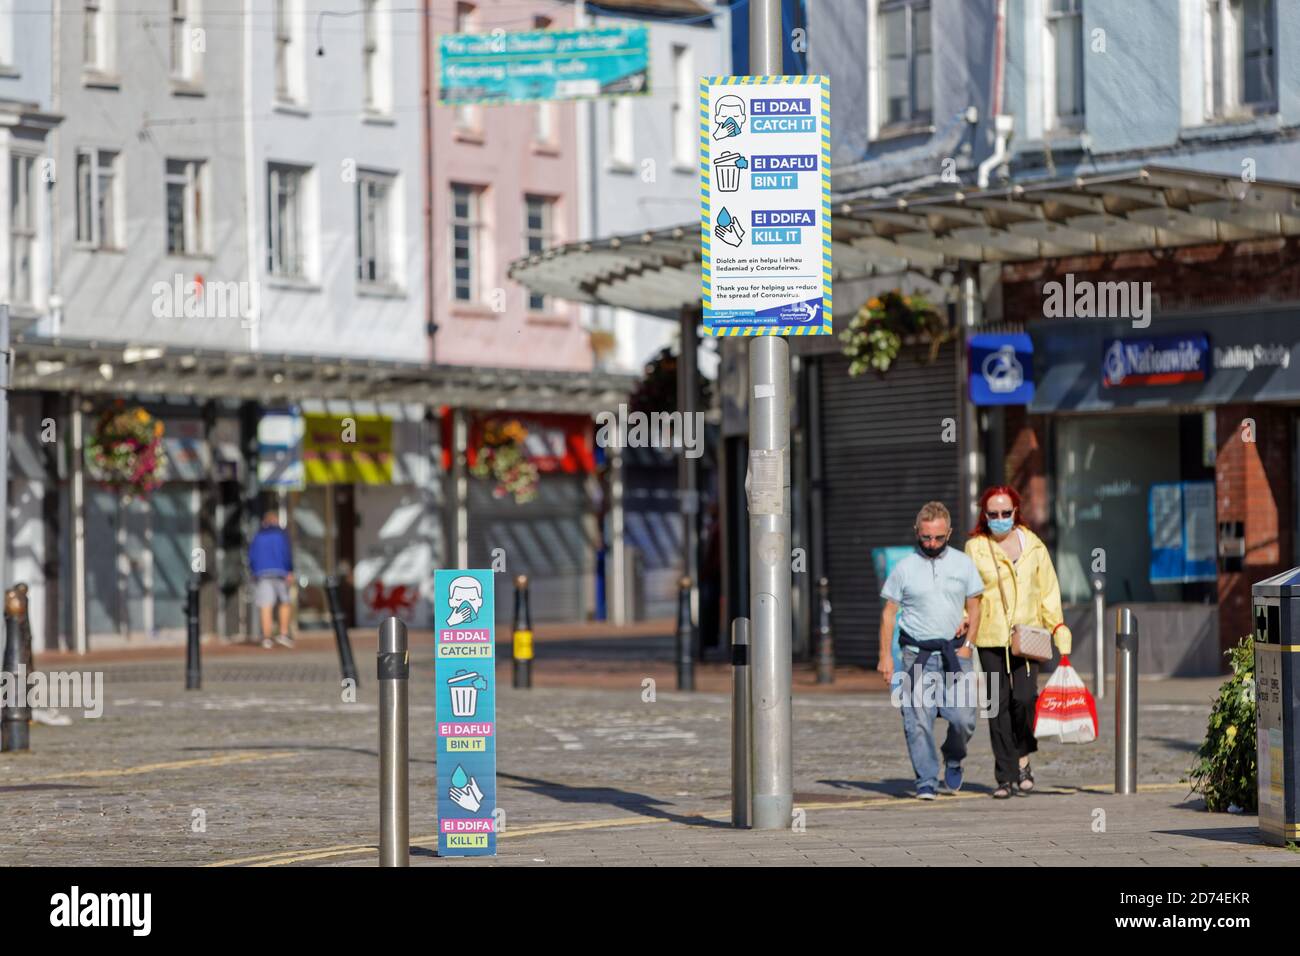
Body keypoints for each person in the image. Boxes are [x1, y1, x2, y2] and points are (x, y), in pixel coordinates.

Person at [964, 485, 1072, 798]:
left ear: (1015, 512)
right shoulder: (976, 547)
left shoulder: (1034, 545)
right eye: (993, 514)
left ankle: (1023, 758)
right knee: (996, 705)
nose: (1000, 519)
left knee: (1024, 700)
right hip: (990, 635)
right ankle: (1005, 775)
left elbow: (1047, 589)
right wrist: (963, 617)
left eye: (1005, 513)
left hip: (1028, 636)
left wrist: (1057, 625)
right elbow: (967, 590)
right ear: (985, 515)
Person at [877, 501, 984, 800]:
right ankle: (926, 780)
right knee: (917, 721)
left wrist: (969, 646)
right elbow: (889, 613)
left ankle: (953, 756)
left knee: (964, 718)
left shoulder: (963, 564)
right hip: (915, 655)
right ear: (917, 532)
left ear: (949, 532)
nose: (932, 543)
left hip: (955, 654)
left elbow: (976, 607)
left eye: (938, 537)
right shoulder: (904, 568)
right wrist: (885, 656)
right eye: (926, 537)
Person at [249, 510, 295, 649]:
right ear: (276, 521)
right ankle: (283, 633)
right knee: (285, 602)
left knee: (266, 605)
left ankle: (267, 638)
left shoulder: (257, 536)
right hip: (280, 572)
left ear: (264, 522)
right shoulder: (281, 535)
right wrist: (289, 570)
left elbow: (252, 555)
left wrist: (254, 571)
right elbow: (286, 554)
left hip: (262, 573)